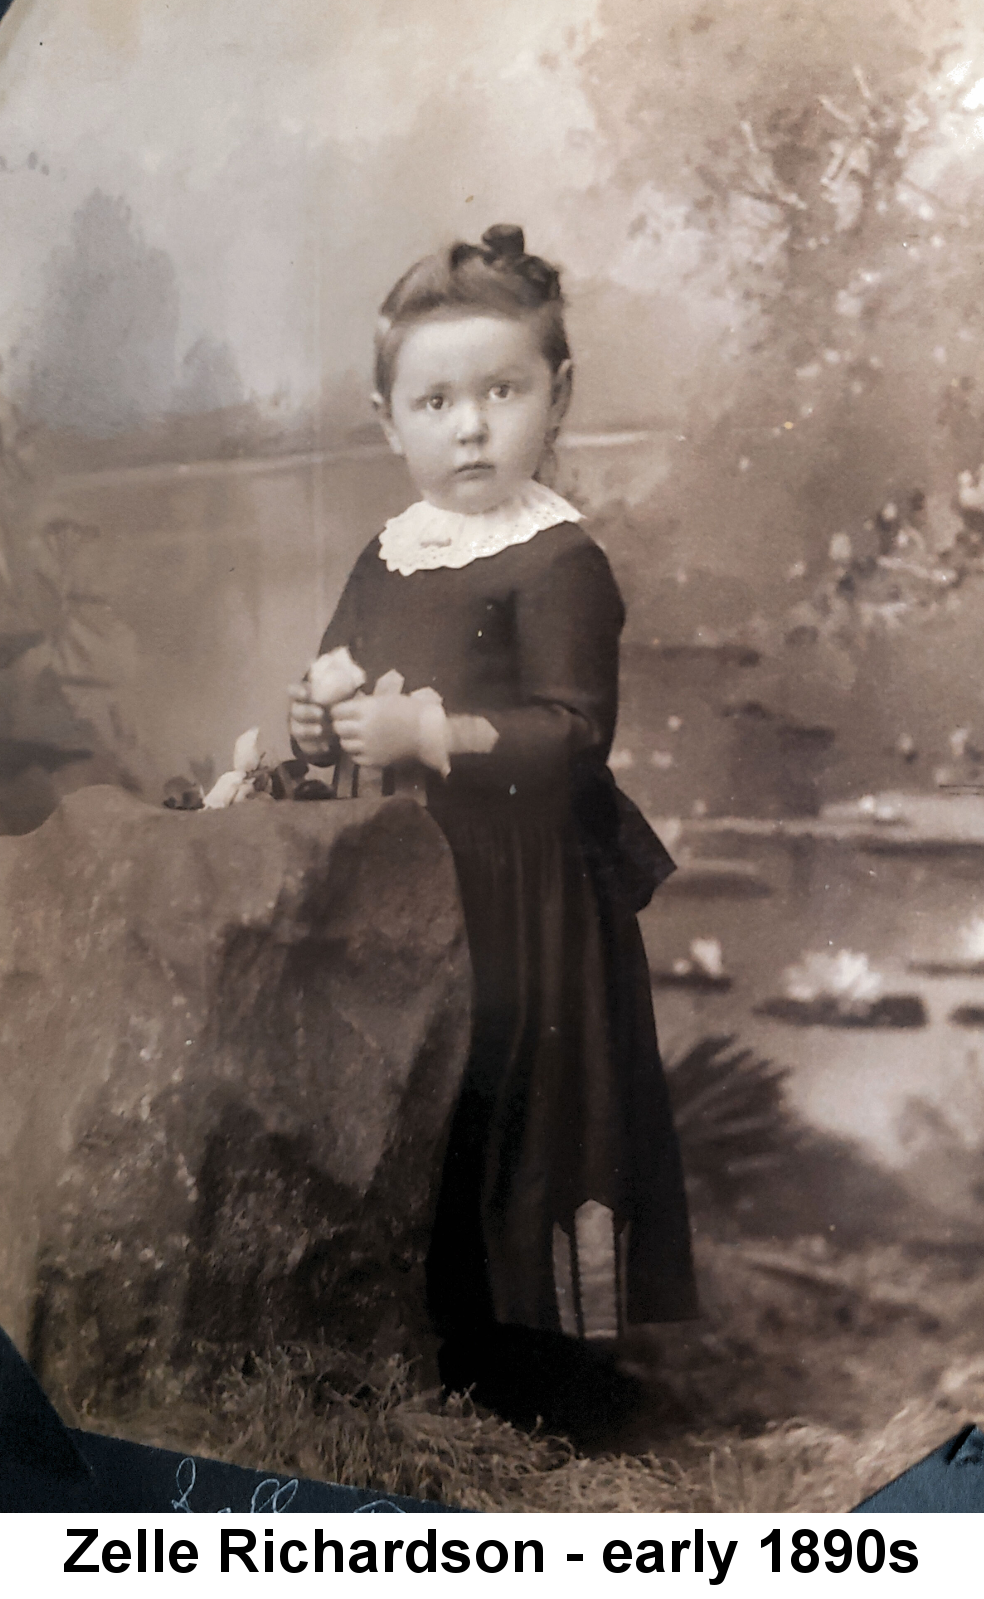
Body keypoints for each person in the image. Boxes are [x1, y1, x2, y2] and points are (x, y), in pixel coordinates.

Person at [289, 224, 698, 1351]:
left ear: (556, 398)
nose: (470, 427)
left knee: (528, 1094)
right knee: (426, 1087)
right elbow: (343, 675)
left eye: (502, 391)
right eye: (435, 403)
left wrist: (430, 730)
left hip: (528, 891)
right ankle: (423, 1326)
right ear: (388, 420)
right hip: (413, 871)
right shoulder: (390, 552)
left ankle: (542, 1360)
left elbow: (573, 736)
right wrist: (320, 717)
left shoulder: (559, 560)